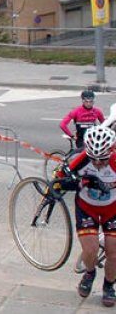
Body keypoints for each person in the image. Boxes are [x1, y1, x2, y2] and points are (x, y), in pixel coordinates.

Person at [55, 125, 116, 306]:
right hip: (86, 208)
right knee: (90, 250)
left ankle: (109, 286)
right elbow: (57, 179)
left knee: (114, 253)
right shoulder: (79, 159)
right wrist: (69, 183)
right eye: (93, 159)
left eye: (103, 159)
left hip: (112, 210)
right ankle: (90, 273)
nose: (97, 163)